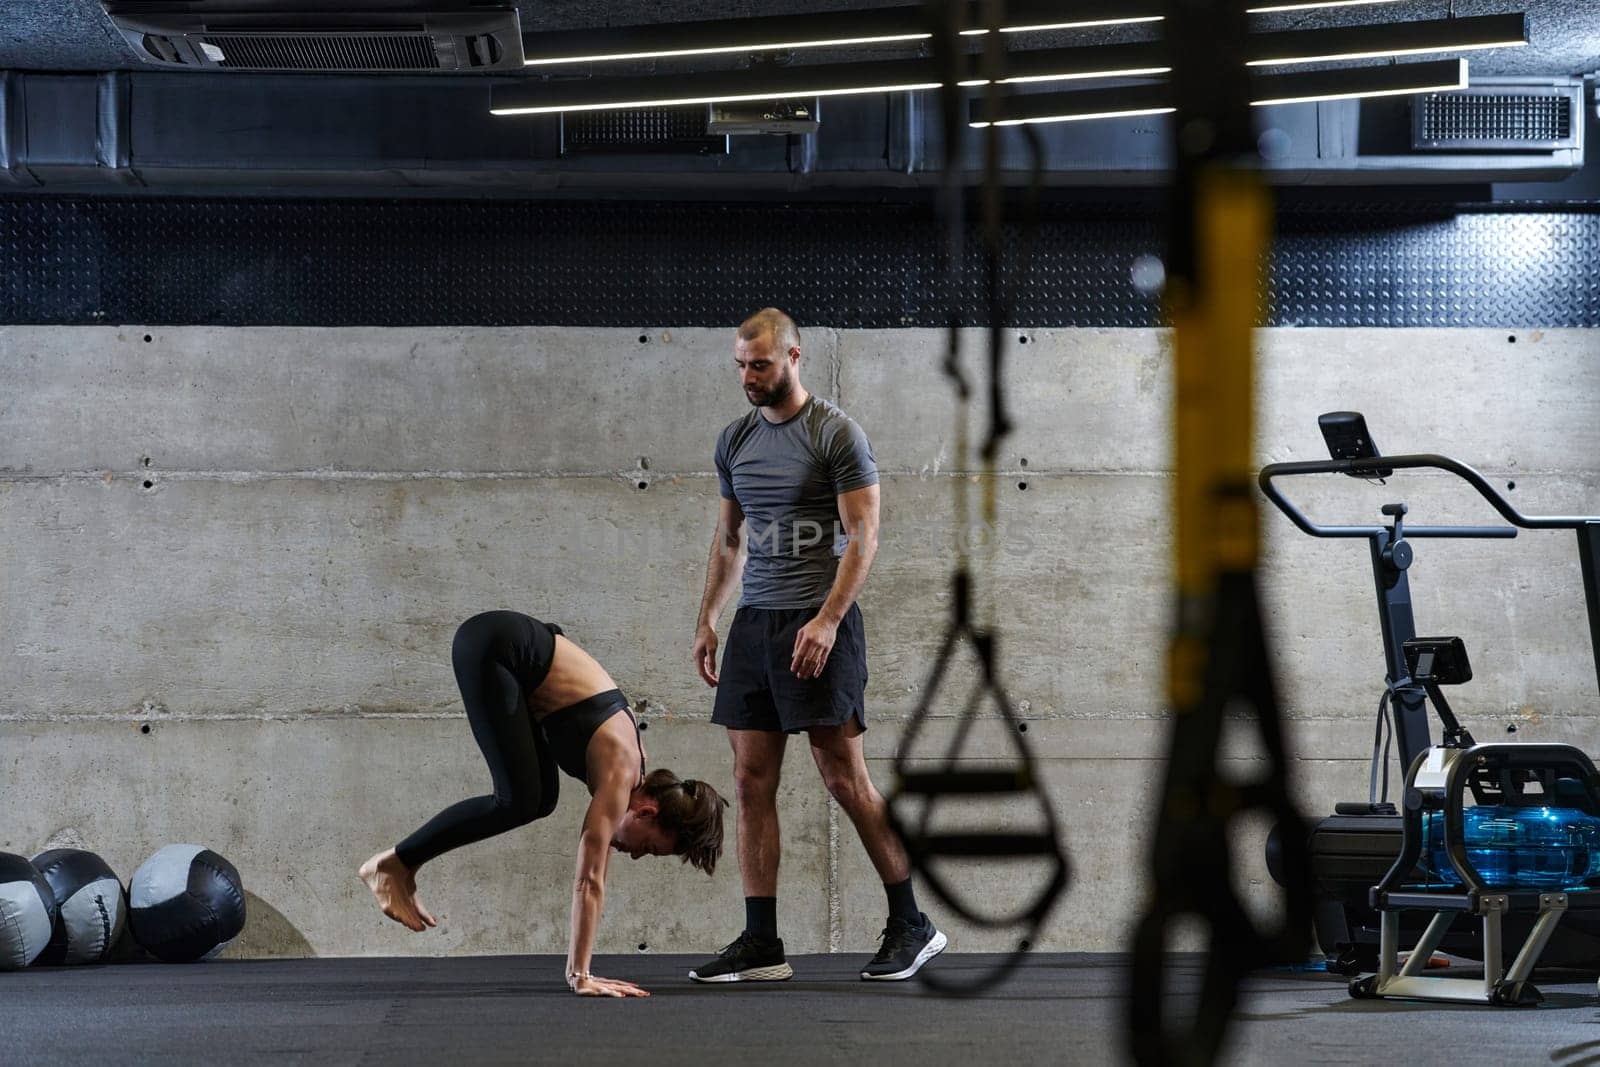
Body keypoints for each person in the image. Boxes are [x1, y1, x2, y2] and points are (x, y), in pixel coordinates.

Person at [690, 308, 946, 984]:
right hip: (756, 624)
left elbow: (863, 537)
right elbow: (730, 539)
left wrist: (829, 619)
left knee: (842, 777)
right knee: (749, 782)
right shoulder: (735, 440)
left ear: (794, 357)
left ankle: (911, 922)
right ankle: (762, 939)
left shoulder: (836, 433)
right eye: (741, 365)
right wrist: (710, 617)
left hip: (818, 618)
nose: (748, 377)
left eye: (761, 365)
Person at [360, 610, 727, 998]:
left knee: (535, 799)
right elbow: (589, 881)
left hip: (512, 651)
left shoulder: (632, 771)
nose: (635, 856)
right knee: (520, 799)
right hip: (496, 646)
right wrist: (580, 975)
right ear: (647, 811)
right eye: (649, 848)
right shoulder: (621, 773)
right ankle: (393, 864)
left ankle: (400, 864)